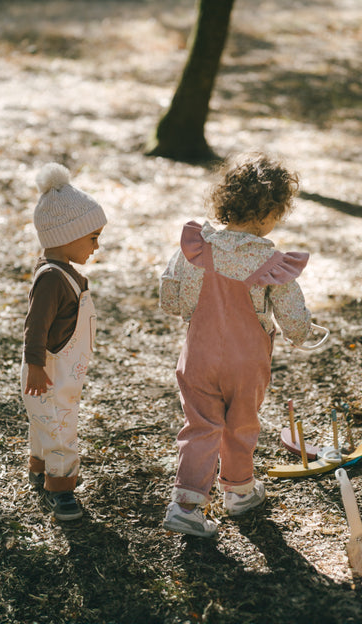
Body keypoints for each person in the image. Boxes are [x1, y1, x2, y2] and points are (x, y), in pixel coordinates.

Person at [160, 153, 312, 537]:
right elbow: (292, 313)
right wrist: (302, 333)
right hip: (247, 362)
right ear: (269, 213)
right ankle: (239, 490)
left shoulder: (194, 247)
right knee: (242, 422)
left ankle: (186, 505)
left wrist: (187, 306)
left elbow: (170, 296)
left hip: (199, 355)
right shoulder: (270, 260)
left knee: (201, 425)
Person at [21, 162, 107, 521]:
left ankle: (39, 466)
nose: (96, 246)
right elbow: (35, 326)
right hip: (50, 372)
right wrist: (36, 366)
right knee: (60, 427)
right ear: (67, 236)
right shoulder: (53, 279)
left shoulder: (63, 274)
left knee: (47, 422)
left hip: (59, 370)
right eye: (92, 237)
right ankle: (62, 488)